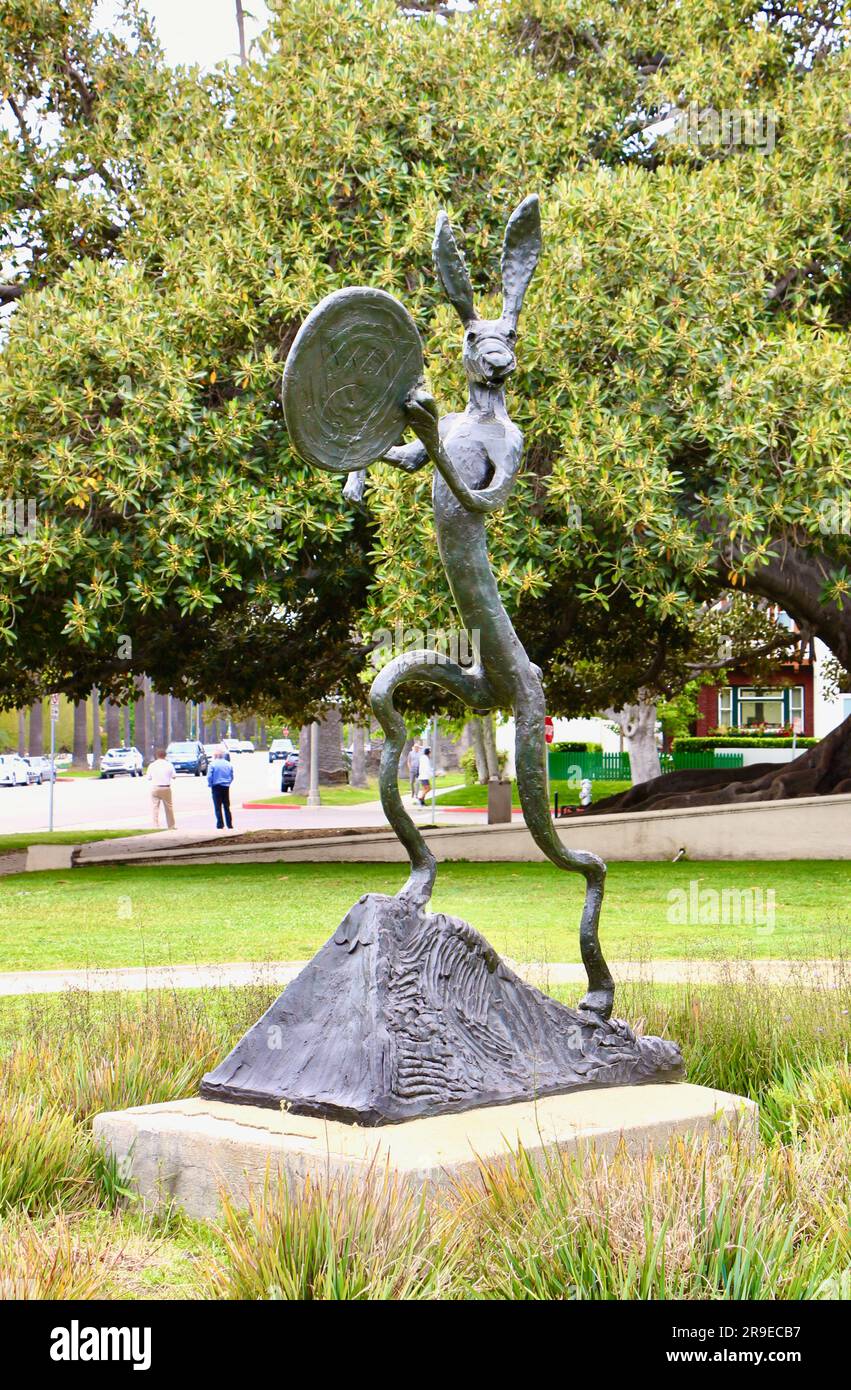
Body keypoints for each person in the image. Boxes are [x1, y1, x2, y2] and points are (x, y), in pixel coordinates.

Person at [146, 747, 176, 829]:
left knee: (155, 807)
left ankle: (155, 825)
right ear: (165, 756)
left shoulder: (152, 765)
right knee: (169, 807)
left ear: (157, 756)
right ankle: (171, 825)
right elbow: (174, 776)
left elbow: (148, 777)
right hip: (166, 787)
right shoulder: (169, 765)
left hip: (155, 787)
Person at [207, 746, 235, 830]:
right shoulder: (228, 764)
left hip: (216, 786)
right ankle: (229, 824)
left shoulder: (212, 764)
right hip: (226, 786)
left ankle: (220, 824)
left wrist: (210, 784)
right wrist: (228, 782)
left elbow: (209, 776)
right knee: (226, 806)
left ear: (215, 756)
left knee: (217, 806)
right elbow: (231, 776)